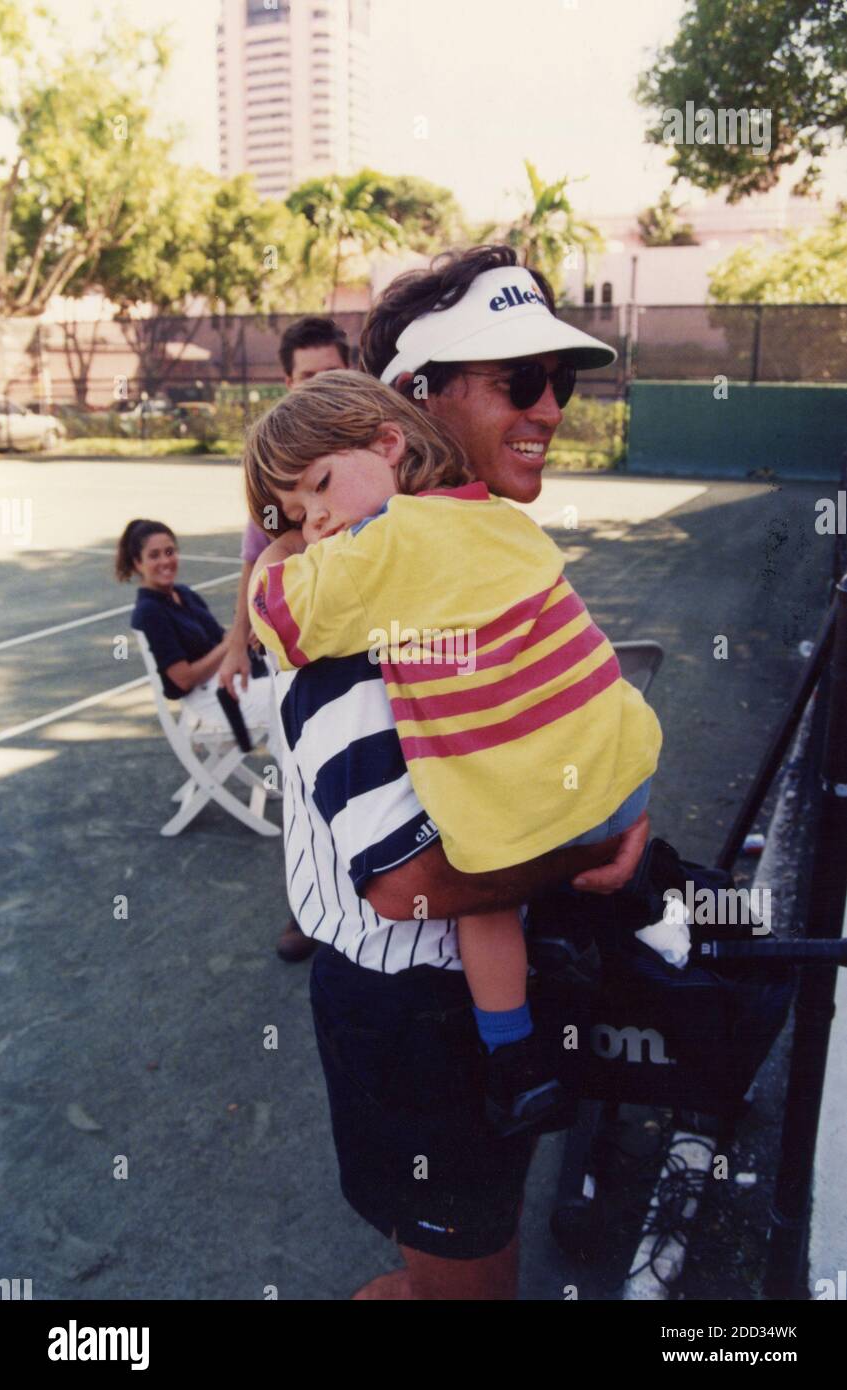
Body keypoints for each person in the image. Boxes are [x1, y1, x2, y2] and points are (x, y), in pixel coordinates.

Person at [245, 245, 653, 1299]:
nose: (553, 406)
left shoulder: (459, 551)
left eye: (560, 381)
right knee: (469, 1281)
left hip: (475, 987)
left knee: (472, 1267)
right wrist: (597, 843)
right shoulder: (344, 610)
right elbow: (409, 885)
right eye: (521, 380)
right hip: (412, 1012)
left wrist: (615, 794)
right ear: (415, 401)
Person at [220, 314, 350, 963]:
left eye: (331, 373)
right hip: (295, 653)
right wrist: (238, 640)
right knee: (301, 785)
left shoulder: (372, 441)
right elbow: (256, 556)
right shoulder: (273, 457)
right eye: (307, 376)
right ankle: (305, 907)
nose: (319, 386)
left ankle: (385, 903)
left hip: (366, 643)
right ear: (286, 380)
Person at [116, 518, 278, 754]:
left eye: (170, 552)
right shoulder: (149, 612)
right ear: (137, 563)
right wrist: (233, 642)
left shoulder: (183, 593)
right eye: (154, 555)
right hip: (214, 701)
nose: (165, 561)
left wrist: (243, 638)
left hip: (231, 683)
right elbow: (184, 679)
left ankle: (291, 777)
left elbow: (222, 639)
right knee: (291, 697)